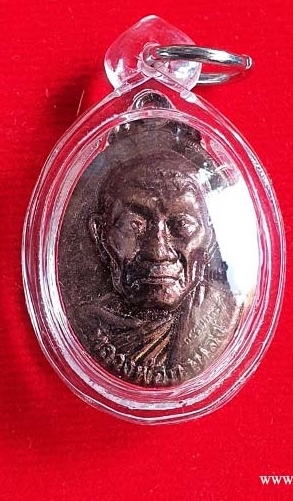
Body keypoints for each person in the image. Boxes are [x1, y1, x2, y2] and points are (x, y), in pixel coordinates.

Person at [72, 141, 239, 387]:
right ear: (99, 233)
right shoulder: (85, 321)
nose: (158, 252)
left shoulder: (223, 314)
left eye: (181, 225)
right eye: (134, 225)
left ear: (212, 235)